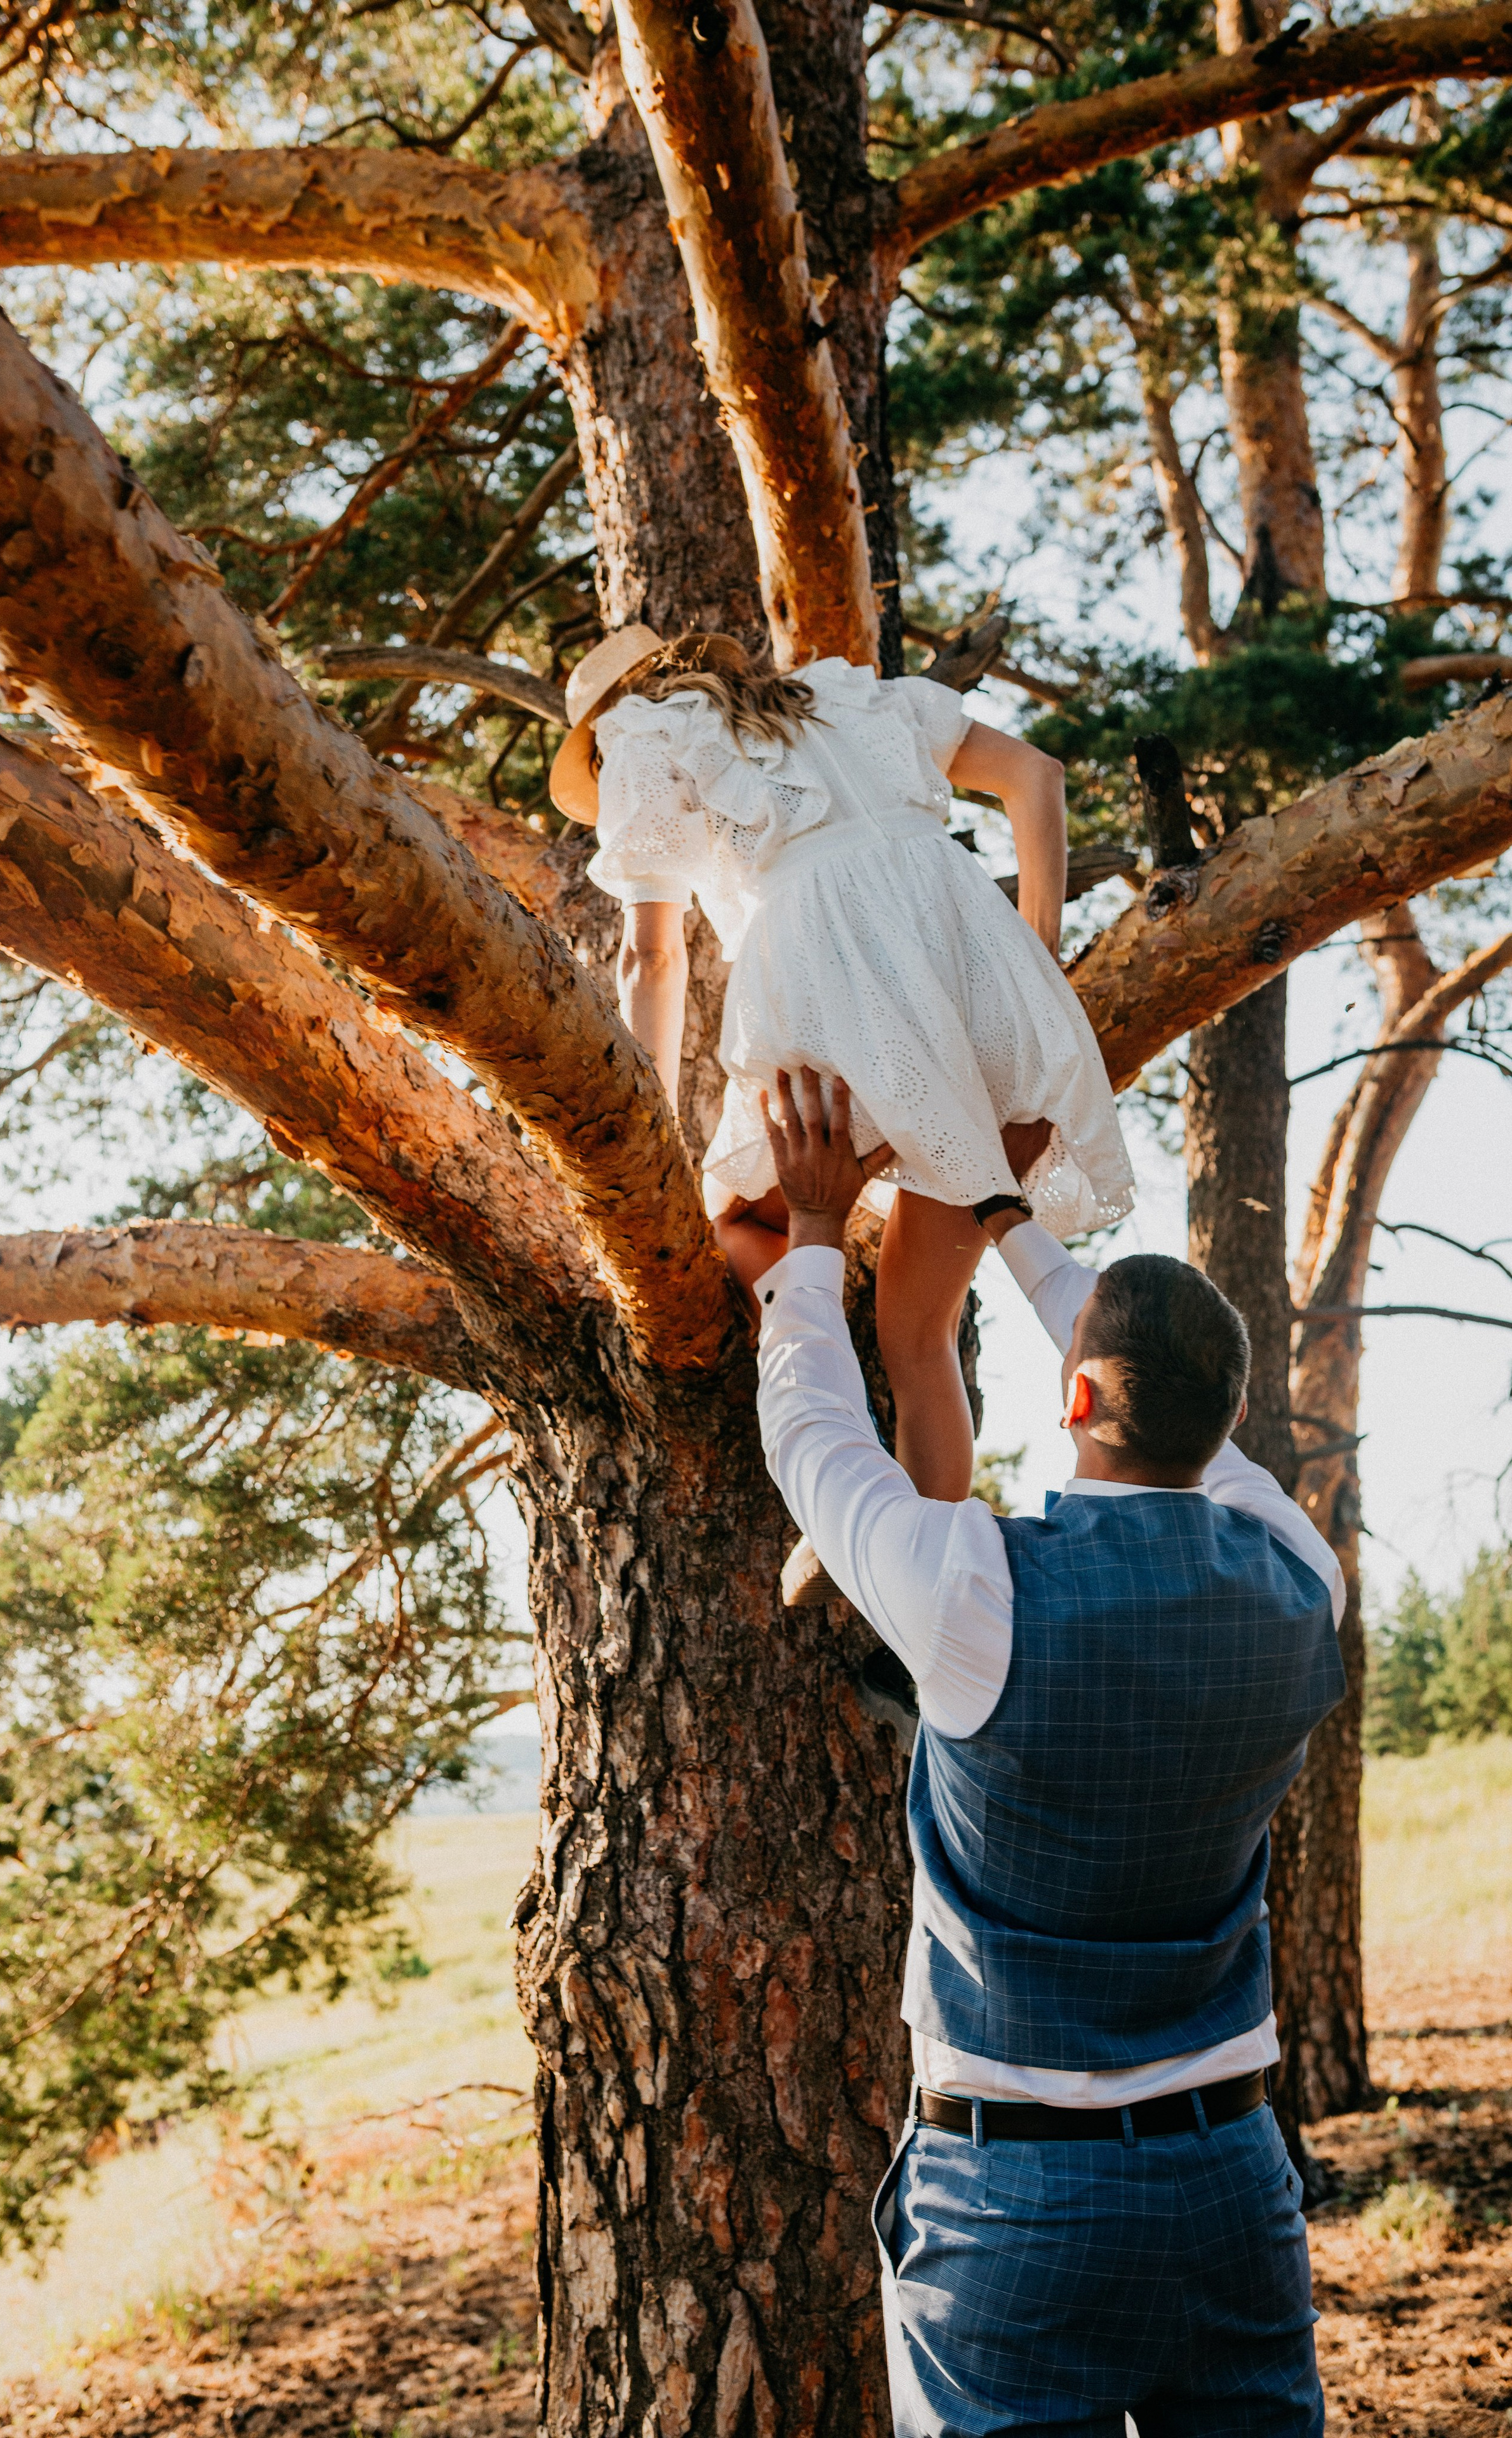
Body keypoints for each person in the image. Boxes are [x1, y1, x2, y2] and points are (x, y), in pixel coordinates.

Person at [753, 1068, 1347, 2438]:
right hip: (1229, 2185)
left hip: (1015, 2204)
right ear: (1226, 1418)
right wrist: (1013, 1222)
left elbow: (813, 1439)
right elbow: (1166, 1403)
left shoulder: (976, 1598)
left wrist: (806, 1238)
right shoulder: (1294, 1576)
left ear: (1073, 1393)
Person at [548, 624, 1134, 1602]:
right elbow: (1037, 776)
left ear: (607, 727)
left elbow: (652, 959)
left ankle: (840, 1478)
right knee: (919, 1335)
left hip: (838, 1027)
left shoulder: (643, 738)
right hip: (998, 1026)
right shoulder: (858, 700)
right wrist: (1033, 963)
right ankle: (928, 1561)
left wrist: (643, 1118)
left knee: (733, 1223)